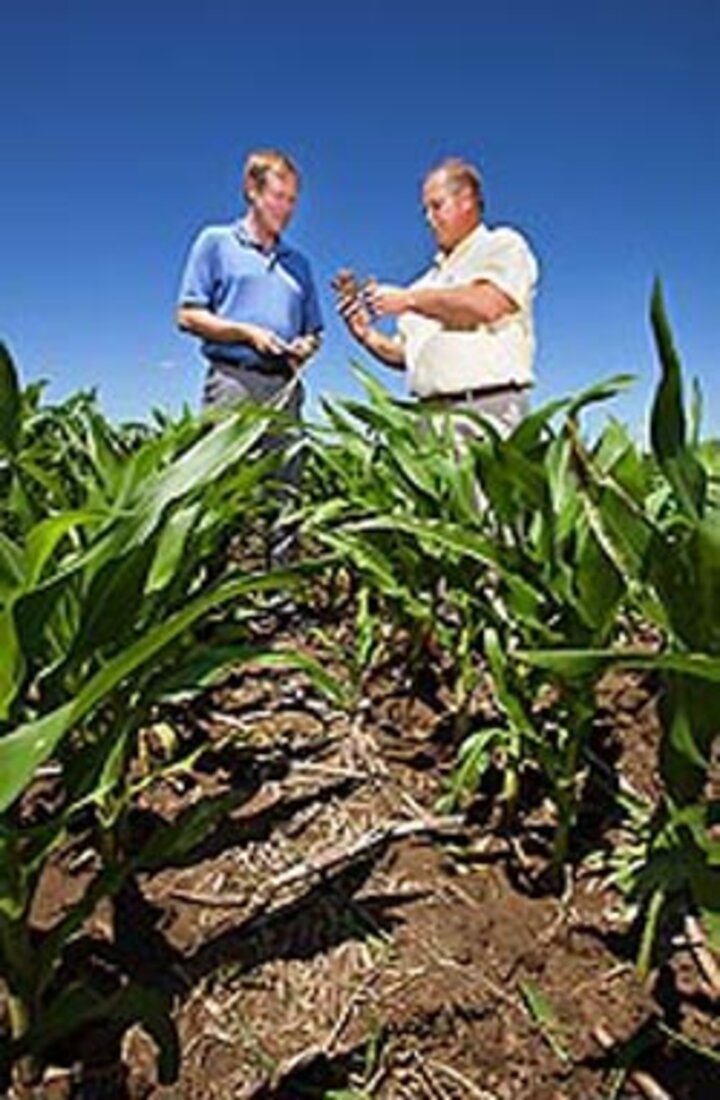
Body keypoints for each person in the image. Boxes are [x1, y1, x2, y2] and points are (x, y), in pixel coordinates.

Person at [176, 148, 323, 564]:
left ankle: (281, 588)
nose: (287, 208)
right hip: (233, 380)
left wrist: (305, 347)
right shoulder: (216, 243)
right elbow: (187, 315)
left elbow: (314, 330)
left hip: (285, 385)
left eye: (293, 200)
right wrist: (245, 332)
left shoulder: (300, 264)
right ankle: (212, 585)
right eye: (278, 197)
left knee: (288, 486)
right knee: (220, 484)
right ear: (252, 192)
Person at [335, 157, 538, 435]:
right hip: (430, 420)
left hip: (487, 412)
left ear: (467, 200)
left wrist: (408, 300)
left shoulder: (502, 245)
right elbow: (405, 356)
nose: (429, 219)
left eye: (437, 206)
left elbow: (488, 303)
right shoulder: (424, 283)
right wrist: (366, 335)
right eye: (425, 210)